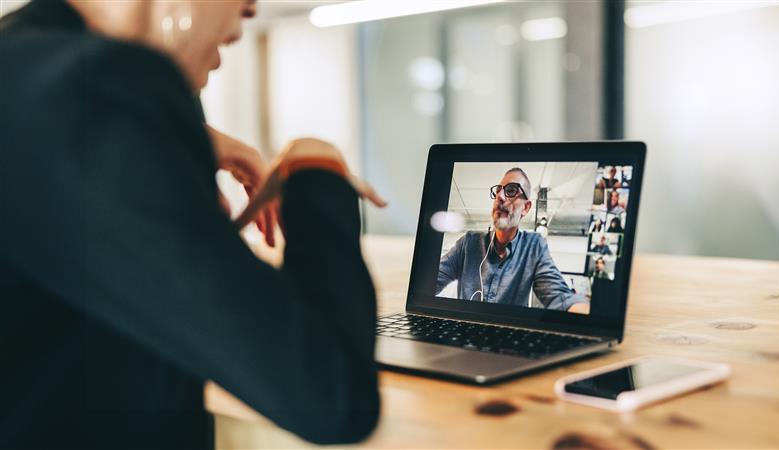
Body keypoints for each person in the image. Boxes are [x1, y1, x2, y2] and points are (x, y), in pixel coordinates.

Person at [0, 1, 386, 448]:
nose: (251, 9)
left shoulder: (23, 63)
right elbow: (332, 396)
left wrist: (164, 146)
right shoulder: (97, 87)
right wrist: (317, 168)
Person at [436, 168, 589, 313]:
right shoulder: (468, 243)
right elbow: (432, 278)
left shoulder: (533, 247)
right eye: (498, 191)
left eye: (511, 190)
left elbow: (560, 296)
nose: (500, 197)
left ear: (526, 207)